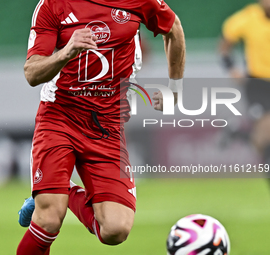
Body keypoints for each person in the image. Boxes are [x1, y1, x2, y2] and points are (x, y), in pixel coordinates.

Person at [17, 0, 185, 254]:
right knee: (50, 217)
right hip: (60, 117)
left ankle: (66, 191)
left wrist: (175, 88)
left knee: (116, 230)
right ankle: (51, 195)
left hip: (107, 126)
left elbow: (173, 29)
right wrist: (65, 52)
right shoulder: (52, 5)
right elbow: (32, 72)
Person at [219, 0, 270, 177]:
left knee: (260, 141)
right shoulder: (249, 17)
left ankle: (237, 134)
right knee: (267, 129)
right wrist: (231, 68)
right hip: (258, 84)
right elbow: (225, 42)